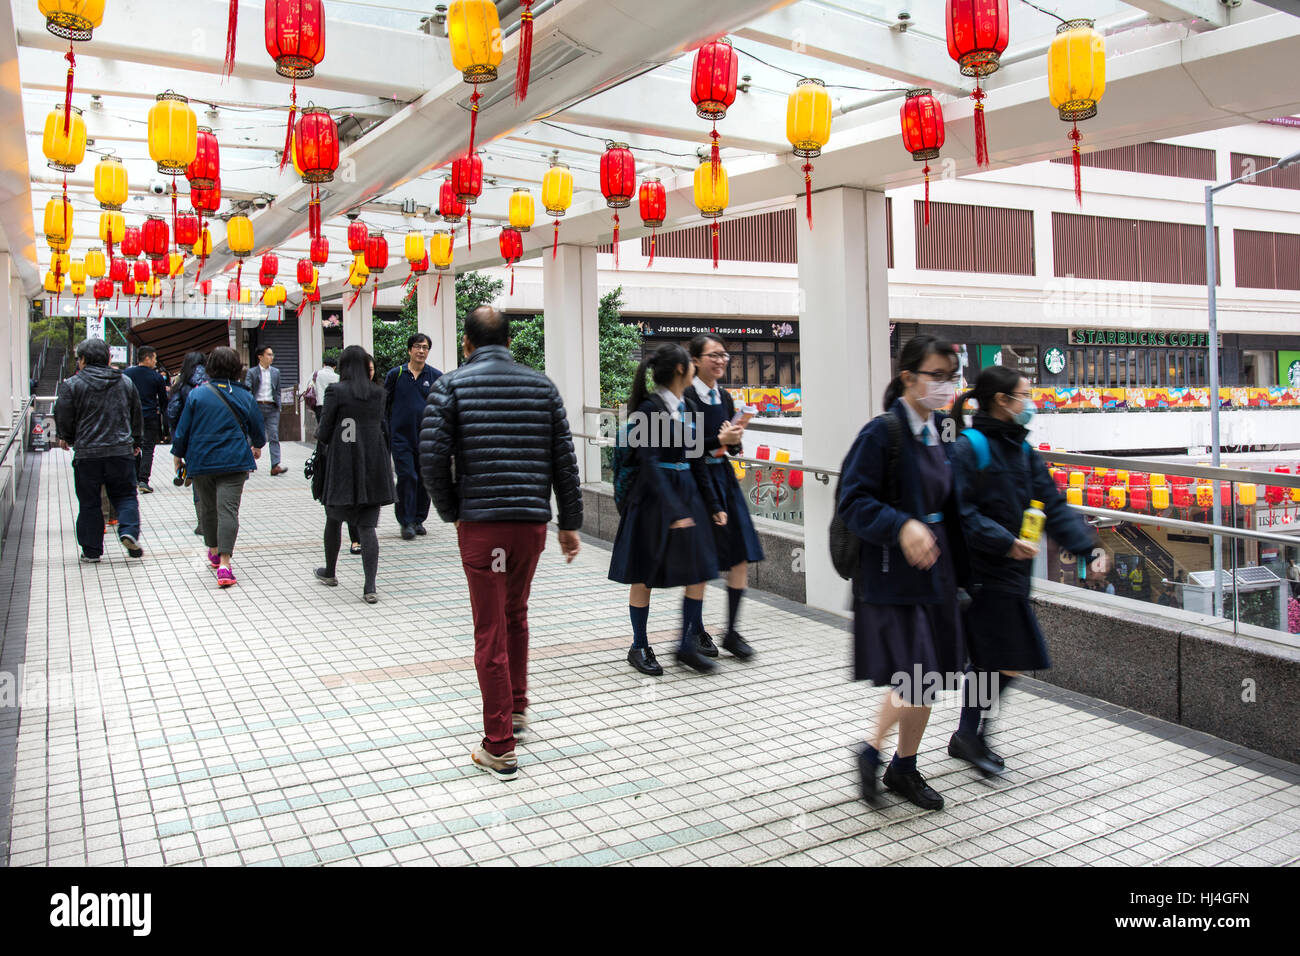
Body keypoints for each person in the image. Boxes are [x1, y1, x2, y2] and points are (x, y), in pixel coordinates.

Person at [420, 307, 582, 782]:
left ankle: (499, 746)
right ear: (508, 341)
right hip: (530, 525)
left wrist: (453, 512)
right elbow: (565, 462)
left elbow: (432, 459)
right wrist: (569, 524)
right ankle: (515, 708)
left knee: (489, 628)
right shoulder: (542, 386)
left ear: (466, 343)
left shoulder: (449, 386)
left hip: (483, 526)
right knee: (515, 615)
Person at [947, 365, 1098, 777]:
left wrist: (1086, 545)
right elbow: (961, 513)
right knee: (1005, 658)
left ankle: (970, 734)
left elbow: (1051, 501)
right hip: (982, 572)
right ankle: (970, 735)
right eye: (1024, 395)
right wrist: (1004, 541)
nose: (1029, 402)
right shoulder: (969, 447)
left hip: (1014, 571)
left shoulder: (1022, 450)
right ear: (1002, 401)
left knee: (996, 660)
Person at [838, 335, 969, 811]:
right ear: (909, 378)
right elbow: (852, 502)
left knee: (929, 678)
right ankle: (874, 753)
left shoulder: (940, 431)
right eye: (935, 376)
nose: (944, 386)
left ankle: (903, 766)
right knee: (919, 674)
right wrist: (902, 526)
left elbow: (950, 503)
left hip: (936, 574)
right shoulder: (881, 433)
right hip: (893, 577)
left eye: (950, 377)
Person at [609, 343, 727, 677]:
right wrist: (674, 509)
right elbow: (650, 464)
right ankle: (639, 644)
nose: (694, 367)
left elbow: (696, 460)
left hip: (686, 497)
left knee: (699, 569)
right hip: (652, 501)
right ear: (679, 370)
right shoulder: (649, 409)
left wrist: (714, 503)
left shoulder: (686, 407)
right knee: (644, 574)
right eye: (690, 363)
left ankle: (686, 645)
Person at [682, 334, 761, 660]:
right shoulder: (686, 398)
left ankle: (730, 630)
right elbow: (686, 447)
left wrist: (736, 436)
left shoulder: (725, 397)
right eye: (713, 355)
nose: (720, 360)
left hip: (724, 478)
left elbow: (725, 446)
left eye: (723, 355)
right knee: (701, 561)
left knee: (741, 553)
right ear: (696, 361)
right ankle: (695, 631)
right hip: (698, 480)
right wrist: (719, 438)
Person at [172, 347, 267, 588]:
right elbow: (258, 430)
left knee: (208, 509)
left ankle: (214, 551)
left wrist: (178, 456)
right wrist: (256, 445)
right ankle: (225, 565)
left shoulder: (197, 395)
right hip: (234, 461)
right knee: (228, 511)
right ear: (237, 368)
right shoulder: (244, 395)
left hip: (201, 460)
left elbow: (183, 430)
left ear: (210, 367)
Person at [313, 346, 395, 603]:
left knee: (334, 518)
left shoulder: (336, 391)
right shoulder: (378, 393)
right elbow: (382, 428)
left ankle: (330, 572)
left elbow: (324, 431)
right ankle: (369, 586)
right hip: (373, 465)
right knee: (368, 527)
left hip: (342, 464)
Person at [55, 338, 145, 563]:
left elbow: (64, 415)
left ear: (83, 360)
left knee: (89, 502)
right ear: (109, 358)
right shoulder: (125, 382)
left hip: (87, 453)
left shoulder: (72, 385)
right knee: (125, 495)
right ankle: (128, 531)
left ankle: (92, 551)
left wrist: (66, 437)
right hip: (120, 451)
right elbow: (136, 414)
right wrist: (136, 442)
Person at [386, 333, 441, 539]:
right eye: (417, 347)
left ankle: (418, 519)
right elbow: (386, 404)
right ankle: (406, 521)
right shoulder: (396, 374)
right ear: (409, 350)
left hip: (427, 438)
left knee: (424, 479)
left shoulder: (435, 376)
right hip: (401, 437)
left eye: (425, 347)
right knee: (407, 476)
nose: (421, 351)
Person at [124, 346, 169, 493]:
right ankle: (144, 480)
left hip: (130, 417)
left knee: (133, 446)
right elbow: (163, 401)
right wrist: (164, 419)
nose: (155, 362)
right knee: (148, 448)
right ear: (147, 358)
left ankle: (135, 478)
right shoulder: (156, 377)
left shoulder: (126, 374)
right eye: (154, 358)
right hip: (150, 416)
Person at [245, 345, 287, 476]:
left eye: (272, 354)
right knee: (252, 435)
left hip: (272, 407)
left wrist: (279, 404)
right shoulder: (252, 372)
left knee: (274, 435)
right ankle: (247, 462)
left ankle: (275, 465)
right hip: (256, 407)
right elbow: (247, 389)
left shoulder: (276, 372)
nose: (271, 357)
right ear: (260, 357)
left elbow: (278, 390)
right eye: (268, 354)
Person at [303, 354, 339, 436]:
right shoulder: (337, 377)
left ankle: (321, 448)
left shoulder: (315, 374)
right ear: (334, 367)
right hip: (333, 407)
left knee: (322, 429)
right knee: (331, 429)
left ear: (324, 364)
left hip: (319, 406)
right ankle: (325, 448)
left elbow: (308, 387)